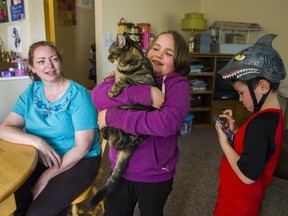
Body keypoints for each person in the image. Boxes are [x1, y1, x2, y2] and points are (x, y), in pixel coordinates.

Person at [92, 30, 191, 216]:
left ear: (179, 62)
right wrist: (145, 95)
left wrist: (112, 117)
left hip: (155, 175)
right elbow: (98, 96)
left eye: (169, 53)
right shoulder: (129, 69)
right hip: (120, 169)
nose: (160, 54)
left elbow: (166, 123)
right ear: (148, 51)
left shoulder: (178, 85)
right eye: (156, 48)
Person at [0, 41, 101, 216]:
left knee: (39, 212)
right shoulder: (32, 91)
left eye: (54, 59)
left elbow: (82, 147)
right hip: (40, 157)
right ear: (32, 67)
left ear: (60, 62)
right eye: (41, 61)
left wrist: (45, 177)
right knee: (14, 203)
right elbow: (5, 128)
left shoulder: (79, 96)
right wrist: (37, 141)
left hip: (79, 159)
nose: (49, 65)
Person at [213, 34, 286, 216]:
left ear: (263, 86)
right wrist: (235, 130)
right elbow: (254, 147)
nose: (240, 99)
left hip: (238, 205)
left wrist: (223, 143)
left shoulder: (261, 126)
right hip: (236, 198)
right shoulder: (269, 118)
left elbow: (247, 175)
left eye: (241, 93)